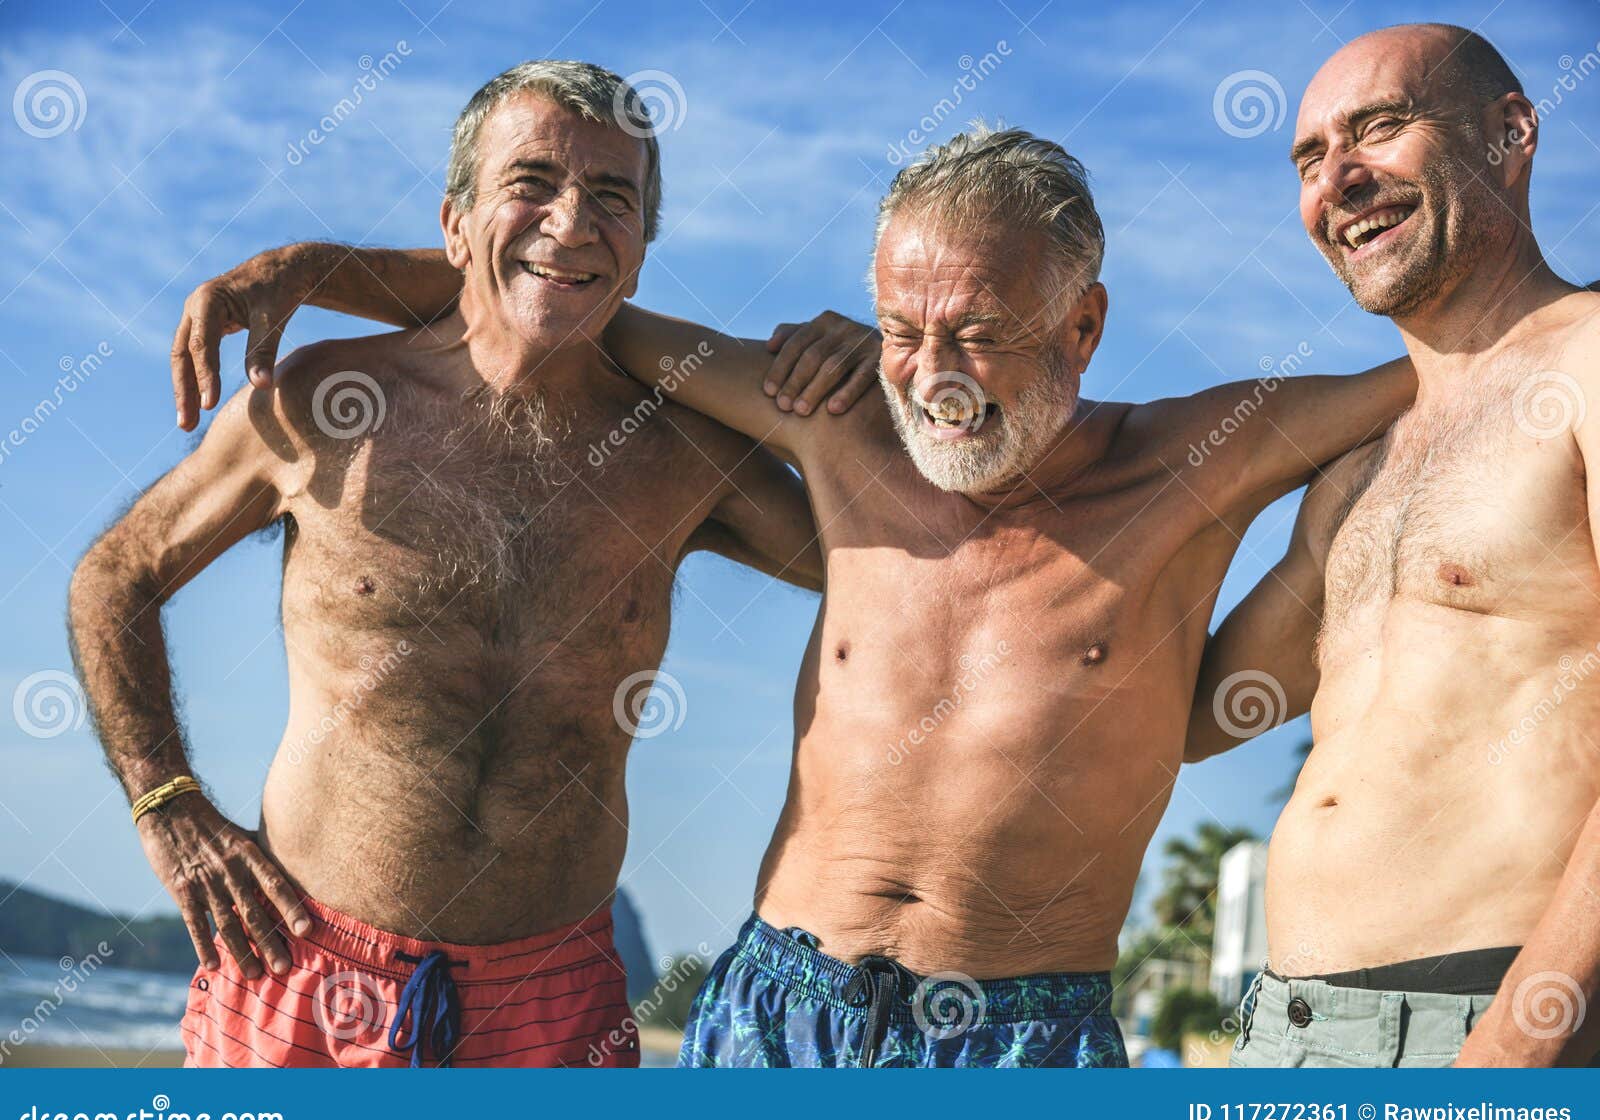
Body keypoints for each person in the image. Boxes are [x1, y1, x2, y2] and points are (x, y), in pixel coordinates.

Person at [176, 124, 1417, 1067]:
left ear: (1082, 325)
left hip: (1021, 1040)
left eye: (978, 331)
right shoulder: (837, 422)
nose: (930, 377)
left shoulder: (1209, 452)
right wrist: (311, 269)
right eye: (899, 329)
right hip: (780, 1009)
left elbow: (1468, 358)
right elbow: (568, 304)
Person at [70, 59, 867, 1068]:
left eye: (612, 199)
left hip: (555, 1007)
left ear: (637, 254)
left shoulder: (682, 456)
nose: (573, 222)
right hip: (303, 973)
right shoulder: (327, 406)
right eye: (532, 182)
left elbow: (890, 562)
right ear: (454, 223)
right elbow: (116, 573)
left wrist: (870, 380)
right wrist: (165, 803)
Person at [1187, 24, 1600, 1067]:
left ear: (1509, 132)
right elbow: (1195, 715)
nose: (1339, 178)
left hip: (1495, 1020)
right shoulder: (1358, 466)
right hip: (1288, 1030)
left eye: (1377, 127)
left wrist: (1522, 1032)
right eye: (1309, 159)